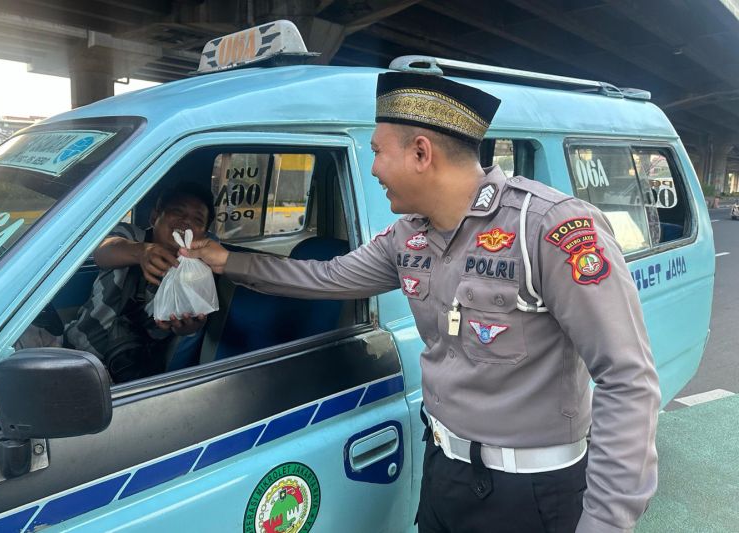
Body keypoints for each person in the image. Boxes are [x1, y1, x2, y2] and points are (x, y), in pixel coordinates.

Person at [183, 73, 660, 532]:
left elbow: (627, 379)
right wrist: (225, 260)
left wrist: (605, 522)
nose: (371, 168)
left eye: (376, 152)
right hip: (444, 474)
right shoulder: (408, 238)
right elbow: (325, 277)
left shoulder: (546, 229)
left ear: (420, 152)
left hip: (533, 494)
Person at [64, 181, 216, 383]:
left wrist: (186, 329)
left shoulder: (196, 275)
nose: (186, 222)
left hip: (124, 373)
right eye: (177, 212)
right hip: (74, 348)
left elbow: (179, 327)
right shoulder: (129, 236)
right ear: (155, 217)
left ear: (203, 234)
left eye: (197, 220)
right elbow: (103, 252)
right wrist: (142, 252)